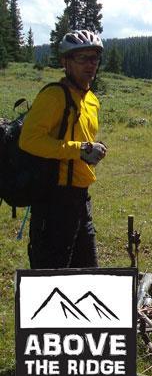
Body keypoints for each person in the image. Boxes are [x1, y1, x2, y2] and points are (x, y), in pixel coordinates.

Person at [20, 29, 108, 269]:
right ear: (65, 62)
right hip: (53, 199)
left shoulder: (91, 100)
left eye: (94, 58)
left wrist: (94, 149)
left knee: (89, 273)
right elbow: (28, 140)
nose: (90, 65)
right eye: (82, 59)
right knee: (52, 276)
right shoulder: (54, 96)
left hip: (81, 198)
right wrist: (78, 149)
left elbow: (80, 139)